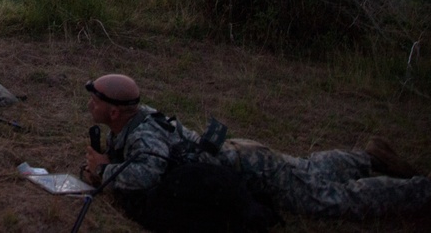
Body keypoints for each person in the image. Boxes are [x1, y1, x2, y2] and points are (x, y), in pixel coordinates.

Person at [81, 73, 431, 221]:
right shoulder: (136, 118)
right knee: (307, 169)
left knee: (331, 200)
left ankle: (419, 191)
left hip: (250, 171)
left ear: (113, 110)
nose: (90, 104)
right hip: (244, 154)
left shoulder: (144, 135)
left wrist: (103, 170)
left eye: (94, 100)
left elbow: (146, 175)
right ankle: (367, 157)